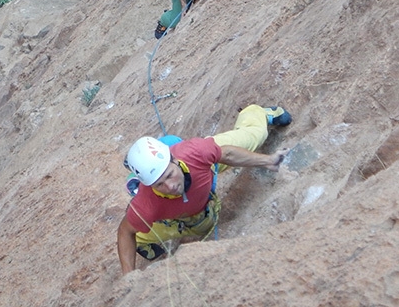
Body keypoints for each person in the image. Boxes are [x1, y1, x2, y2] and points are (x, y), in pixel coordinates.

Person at [117, 104, 291, 274]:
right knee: (150, 233)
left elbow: (228, 154)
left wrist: (268, 161)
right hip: (187, 213)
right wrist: (128, 278)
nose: (170, 186)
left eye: (170, 175)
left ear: (175, 160)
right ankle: (144, 233)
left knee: (255, 135)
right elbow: (125, 231)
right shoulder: (147, 204)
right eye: (159, 184)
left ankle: (256, 112)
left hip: (207, 167)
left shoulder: (194, 152)